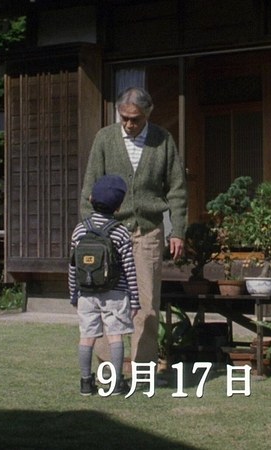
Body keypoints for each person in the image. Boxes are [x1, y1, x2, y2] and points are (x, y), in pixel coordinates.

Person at [80, 87, 188, 373]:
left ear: (148, 114)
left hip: (148, 231)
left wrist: (178, 230)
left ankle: (144, 369)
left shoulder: (163, 140)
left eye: (135, 119)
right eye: (124, 117)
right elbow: (89, 186)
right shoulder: (105, 138)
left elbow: (177, 189)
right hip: (109, 231)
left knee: (147, 304)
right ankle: (109, 368)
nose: (128, 124)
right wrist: (91, 229)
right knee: (105, 299)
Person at [69, 175, 140, 396]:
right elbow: (129, 269)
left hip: (86, 292)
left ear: (91, 199)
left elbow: (72, 266)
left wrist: (73, 293)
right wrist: (134, 299)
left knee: (87, 336)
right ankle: (117, 383)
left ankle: (85, 382)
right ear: (118, 207)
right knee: (115, 335)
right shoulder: (120, 232)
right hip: (115, 292)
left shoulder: (80, 230)